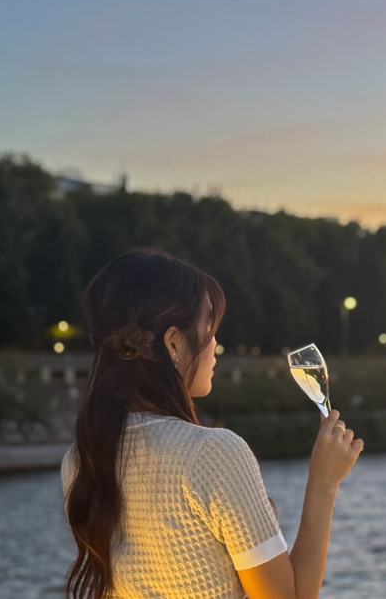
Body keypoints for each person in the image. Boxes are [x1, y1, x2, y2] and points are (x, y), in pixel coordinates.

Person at [61, 249, 363, 599]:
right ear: (173, 342)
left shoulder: (82, 458)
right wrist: (324, 483)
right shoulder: (213, 454)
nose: (216, 343)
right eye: (209, 327)